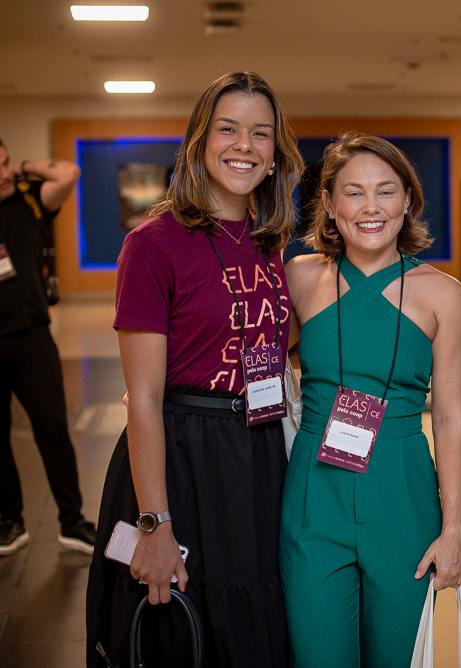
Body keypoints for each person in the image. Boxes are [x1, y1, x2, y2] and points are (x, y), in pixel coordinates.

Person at [86, 71, 304, 668]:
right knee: (185, 629)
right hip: (184, 457)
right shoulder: (153, 244)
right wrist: (154, 522)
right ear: (200, 139)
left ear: (275, 152)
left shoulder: (269, 242)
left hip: (258, 450)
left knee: (252, 625)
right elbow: (144, 397)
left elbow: (274, 340)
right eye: (228, 129)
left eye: (261, 133)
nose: (244, 146)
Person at [279, 132, 461, 667]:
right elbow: (259, 363)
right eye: (353, 192)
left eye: (386, 191)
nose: (371, 207)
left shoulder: (444, 295)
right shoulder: (300, 278)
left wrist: (454, 528)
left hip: (402, 494)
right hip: (315, 495)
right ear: (328, 203)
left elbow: (452, 419)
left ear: (407, 200)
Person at [0, 140, 97, 556]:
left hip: (31, 338)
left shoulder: (29, 200)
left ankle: (72, 522)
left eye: (5, 163)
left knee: (53, 430)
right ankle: (10, 521)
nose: (4, 174)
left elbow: (68, 173)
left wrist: (22, 167)